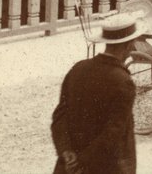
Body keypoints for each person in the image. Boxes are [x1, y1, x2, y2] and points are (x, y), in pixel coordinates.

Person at [50, 13, 139, 174]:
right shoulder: (123, 81)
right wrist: (82, 162)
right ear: (128, 45)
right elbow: (113, 134)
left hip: (68, 166)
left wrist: (66, 152)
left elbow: (59, 118)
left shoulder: (78, 69)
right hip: (104, 167)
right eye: (132, 44)